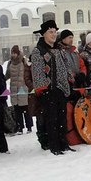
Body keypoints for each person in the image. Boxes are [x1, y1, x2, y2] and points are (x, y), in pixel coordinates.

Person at [29, 20, 73, 155]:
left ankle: (63, 143)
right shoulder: (39, 51)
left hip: (61, 88)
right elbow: (37, 72)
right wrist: (43, 89)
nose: (54, 34)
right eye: (50, 32)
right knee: (51, 119)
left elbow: (66, 66)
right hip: (48, 90)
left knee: (62, 117)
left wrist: (69, 80)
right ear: (44, 34)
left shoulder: (60, 49)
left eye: (55, 32)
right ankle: (54, 146)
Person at [6, 46, 33, 135]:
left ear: (18, 53)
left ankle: (29, 126)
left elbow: (29, 72)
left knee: (25, 108)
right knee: (17, 110)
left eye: (15, 53)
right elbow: (7, 75)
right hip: (14, 89)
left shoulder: (23, 61)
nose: (13, 55)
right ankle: (20, 127)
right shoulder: (10, 63)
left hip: (23, 88)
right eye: (12, 53)